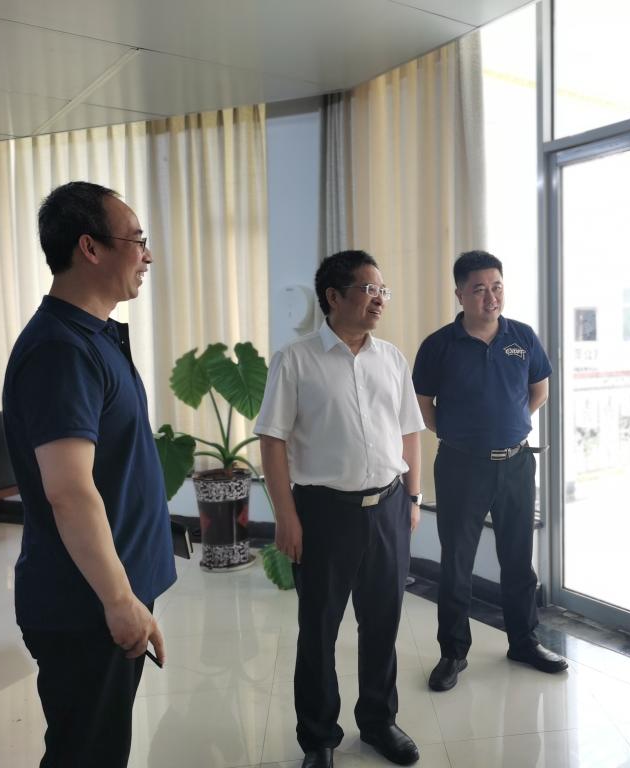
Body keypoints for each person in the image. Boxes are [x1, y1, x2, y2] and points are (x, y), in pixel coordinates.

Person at [2, 181, 175, 768]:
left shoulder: (93, 335)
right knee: (87, 754)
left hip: (106, 588)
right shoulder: (61, 350)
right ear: (90, 248)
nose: (147, 256)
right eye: (137, 241)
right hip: (87, 603)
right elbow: (69, 490)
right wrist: (119, 599)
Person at [256, 250, 425, 768]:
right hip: (324, 513)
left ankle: (378, 721)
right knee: (319, 629)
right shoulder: (295, 360)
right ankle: (319, 738)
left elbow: (410, 431)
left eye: (382, 291)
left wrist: (413, 497)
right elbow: (273, 441)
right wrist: (286, 515)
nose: (379, 300)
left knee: (383, 623)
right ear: (333, 296)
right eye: (369, 289)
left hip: (389, 507)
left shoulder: (391, 358)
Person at [412, 250, 567, 694]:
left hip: (516, 463)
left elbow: (539, 391)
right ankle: (453, 652)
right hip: (461, 466)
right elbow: (423, 406)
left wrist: (507, 429)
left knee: (518, 559)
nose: (490, 297)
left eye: (496, 287)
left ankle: (524, 641)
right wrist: (463, 436)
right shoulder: (439, 345)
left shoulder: (522, 337)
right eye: (479, 289)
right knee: (457, 562)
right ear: (459, 294)